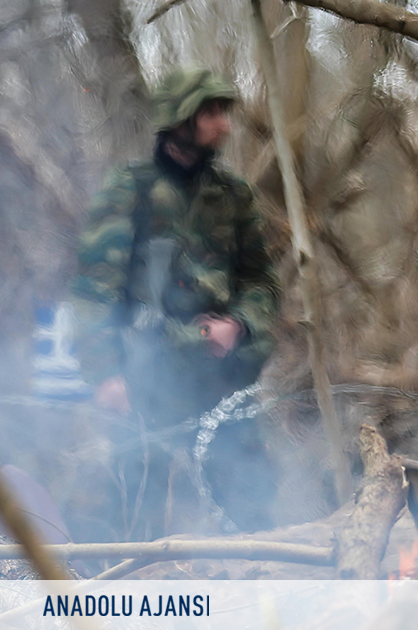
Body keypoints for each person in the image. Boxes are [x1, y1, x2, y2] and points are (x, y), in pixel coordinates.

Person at [70, 68, 280, 540]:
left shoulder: (233, 196)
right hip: (147, 383)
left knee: (252, 511)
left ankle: (260, 605)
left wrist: (239, 325)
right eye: (211, 113)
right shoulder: (129, 191)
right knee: (136, 521)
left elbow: (262, 281)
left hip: (221, 379)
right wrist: (105, 375)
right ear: (180, 120)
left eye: (223, 113)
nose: (224, 124)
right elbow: (93, 292)